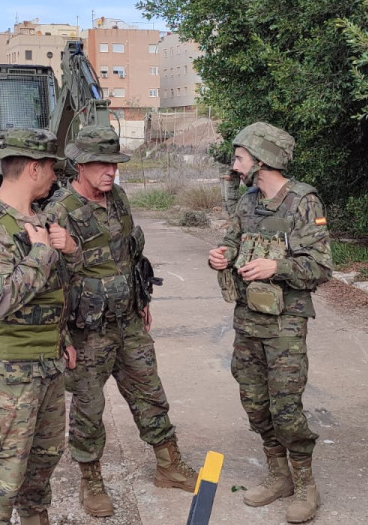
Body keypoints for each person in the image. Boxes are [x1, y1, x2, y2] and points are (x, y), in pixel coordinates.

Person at [44, 125, 199, 517]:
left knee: (149, 392)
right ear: (79, 165)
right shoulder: (59, 212)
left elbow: (131, 255)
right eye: (101, 164)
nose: (110, 171)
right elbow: (51, 280)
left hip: (128, 321)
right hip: (87, 330)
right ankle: (91, 481)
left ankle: (169, 464)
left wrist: (141, 297)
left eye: (114, 163)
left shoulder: (119, 199)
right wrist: (61, 336)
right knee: (89, 408)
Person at [207, 122, 332, 524]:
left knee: (286, 408)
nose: (235, 163)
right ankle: (278, 476)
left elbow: (320, 266)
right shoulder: (247, 202)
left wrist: (275, 267)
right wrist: (223, 255)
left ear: (262, 159)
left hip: (285, 325)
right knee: (255, 404)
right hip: (247, 321)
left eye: (240, 156)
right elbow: (234, 239)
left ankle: (305, 484)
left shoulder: (302, 202)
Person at [0, 128, 77, 525]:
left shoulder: (39, 219)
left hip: (46, 363)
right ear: (33, 168)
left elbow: (53, 292)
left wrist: (64, 338)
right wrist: (43, 253)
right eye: (51, 170)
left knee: (42, 463)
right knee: (1, 474)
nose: (55, 178)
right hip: (6, 374)